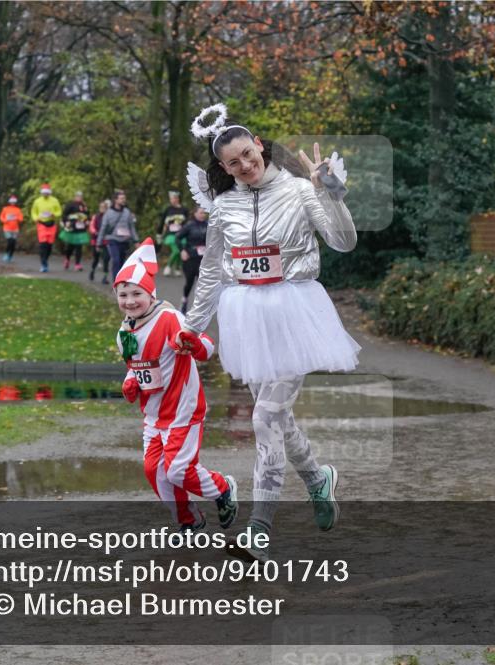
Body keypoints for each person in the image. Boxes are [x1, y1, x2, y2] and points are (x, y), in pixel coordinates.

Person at [178, 103, 359, 561]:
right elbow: (213, 271)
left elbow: (343, 242)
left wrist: (331, 192)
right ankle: (318, 481)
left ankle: (259, 529)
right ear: (223, 167)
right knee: (277, 418)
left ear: (258, 144)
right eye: (232, 162)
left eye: (247, 153)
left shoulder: (301, 189)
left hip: (294, 312)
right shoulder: (223, 208)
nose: (244, 165)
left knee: (263, 419)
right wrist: (189, 328)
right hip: (247, 318)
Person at [113, 238, 238, 532]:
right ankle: (189, 521)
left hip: (183, 409)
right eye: (123, 294)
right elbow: (136, 367)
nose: (130, 301)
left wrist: (191, 342)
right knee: (154, 471)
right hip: (154, 415)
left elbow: (206, 349)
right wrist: (130, 381)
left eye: (136, 293)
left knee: (178, 470)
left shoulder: (169, 318)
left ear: (150, 293)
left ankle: (222, 488)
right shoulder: (124, 333)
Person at [97, 189, 138, 284]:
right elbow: (103, 228)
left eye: (124, 198)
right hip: (112, 240)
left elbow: (131, 227)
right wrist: (98, 243)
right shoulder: (108, 213)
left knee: (122, 262)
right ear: (115, 200)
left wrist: (136, 240)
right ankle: (117, 282)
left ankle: (121, 279)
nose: (123, 200)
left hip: (125, 241)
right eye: (121, 198)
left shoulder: (127, 212)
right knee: (116, 260)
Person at [175, 206, 209, 314]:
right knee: (189, 282)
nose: (203, 214)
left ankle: (198, 308)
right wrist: (182, 251)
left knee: (202, 283)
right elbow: (177, 238)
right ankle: (184, 300)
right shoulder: (190, 225)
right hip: (190, 258)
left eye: (204, 213)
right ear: (195, 214)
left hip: (203, 259)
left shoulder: (209, 225)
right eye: (200, 213)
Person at [31, 183, 62, 273]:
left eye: (47, 193)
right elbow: (33, 212)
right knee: (43, 244)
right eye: (44, 193)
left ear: (49, 193)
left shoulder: (54, 200)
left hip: (51, 224)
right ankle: (43, 264)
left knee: (49, 246)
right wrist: (36, 218)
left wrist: (54, 214)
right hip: (41, 224)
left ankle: (45, 260)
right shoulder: (37, 201)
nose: (45, 194)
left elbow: (59, 211)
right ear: (41, 193)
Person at [157, 190, 189, 277]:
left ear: (178, 199)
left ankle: (177, 268)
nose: (173, 200)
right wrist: (159, 234)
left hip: (181, 234)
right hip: (170, 234)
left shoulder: (184, 210)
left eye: (175, 198)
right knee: (176, 250)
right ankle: (168, 266)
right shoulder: (168, 209)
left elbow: (187, 224)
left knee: (180, 250)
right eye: (171, 199)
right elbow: (161, 222)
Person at [60, 190, 91, 271]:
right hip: (72, 228)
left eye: (80, 196)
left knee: (79, 247)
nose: (79, 198)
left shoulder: (84, 206)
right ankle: (67, 259)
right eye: (78, 196)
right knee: (70, 246)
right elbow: (64, 215)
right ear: (75, 197)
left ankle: (77, 264)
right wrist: (66, 222)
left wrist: (87, 221)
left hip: (81, 229)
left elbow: (88, 215)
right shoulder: (70, 205)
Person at [88, 199, 111, 284]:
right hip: (96, 240)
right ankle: (92, 271)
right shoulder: (96, 217)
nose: (102, 209)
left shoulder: (109, 217)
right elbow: (91, 226)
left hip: (106, 241)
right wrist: (95, 232)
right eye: (101, 207)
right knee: (96, 258)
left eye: (104, 207)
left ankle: (105, 277)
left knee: (106, 258)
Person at [0, 194, 24, 263]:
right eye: (11, 202)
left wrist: (17, 218)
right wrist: (6, 220)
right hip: (7, 228)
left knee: (13, 243)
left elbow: (21, 219)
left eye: (14, 202)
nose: (13, 203)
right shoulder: (5, 209)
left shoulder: (18, 210)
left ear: (15, 202)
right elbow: (1, 217)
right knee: (10, 241)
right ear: (9, 202)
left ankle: (10, 256)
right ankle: (6, 254)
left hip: (15, 229)